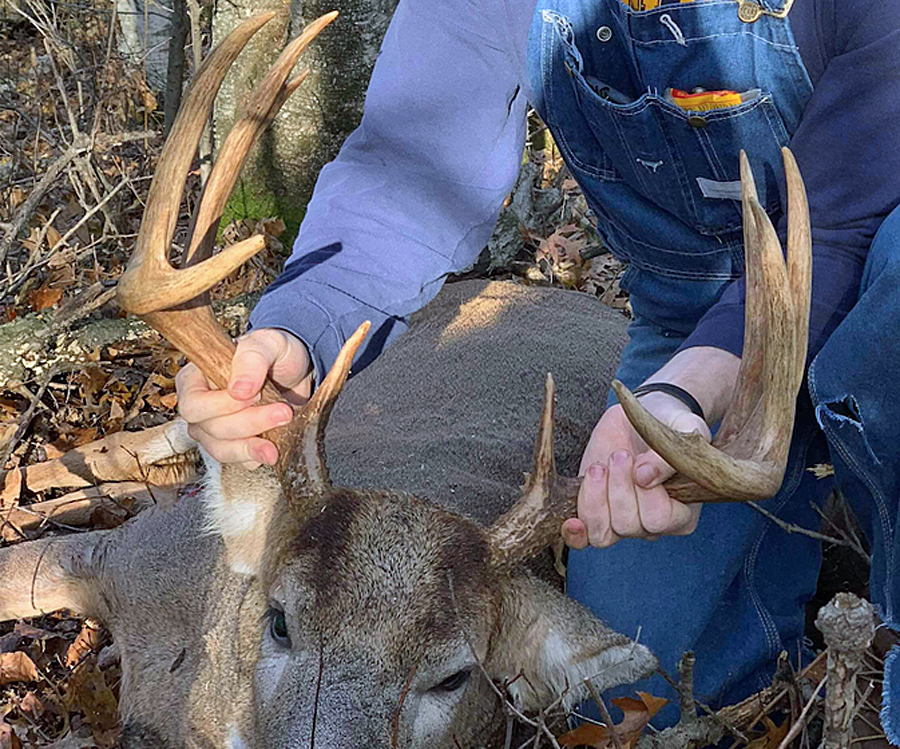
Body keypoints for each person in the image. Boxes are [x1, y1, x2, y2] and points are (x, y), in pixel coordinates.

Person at [175, 0, 900, 733]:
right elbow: (407, 179)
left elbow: (846, 224)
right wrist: (290, 336)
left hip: (872, 300)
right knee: (627, 699)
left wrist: (690, 385)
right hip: (686, 333)